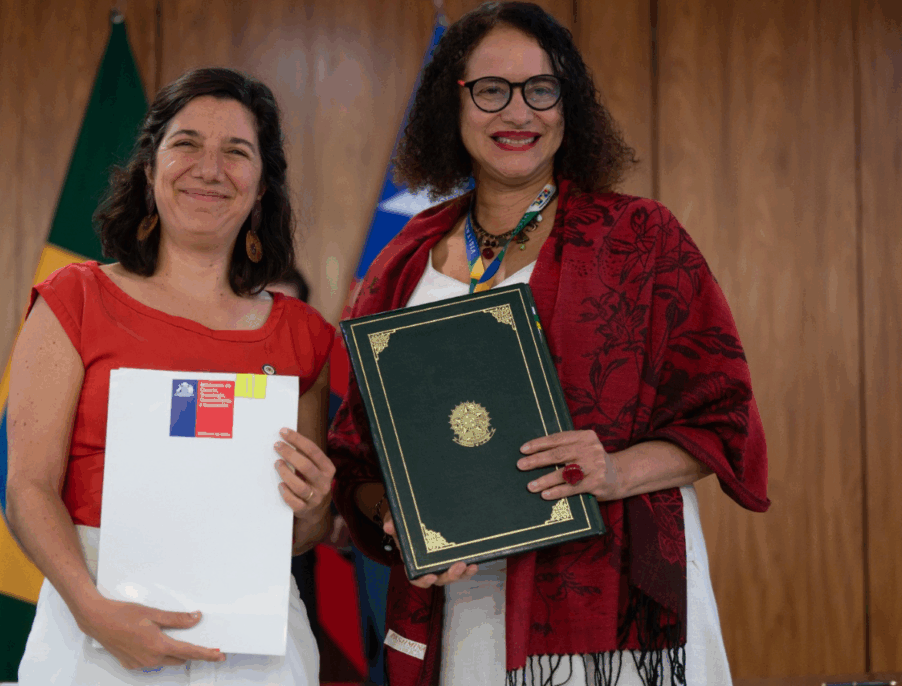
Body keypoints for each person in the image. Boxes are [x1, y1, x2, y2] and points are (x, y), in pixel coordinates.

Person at [327, 4, 769, 686]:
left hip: (618, 614)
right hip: (464, 606)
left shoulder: (641, 239)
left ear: (569, 105)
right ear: (454, 103)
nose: (518, 112)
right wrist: (397, 515)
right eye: (491, 89)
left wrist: (615, 472)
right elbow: (357, 455)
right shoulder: (402, 263)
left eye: (541, 88)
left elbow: (722, 419)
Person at [6, 67, 336, 686]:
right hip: (96, 627)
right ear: (150, 168)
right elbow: (27, 488)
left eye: (237, 152)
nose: (210, 169)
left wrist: (315, 505)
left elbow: (298, 534)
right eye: (186, 144)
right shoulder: (74, 299)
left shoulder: (303, 336)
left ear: (262, 187)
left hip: (256, 640)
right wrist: (91, 609)